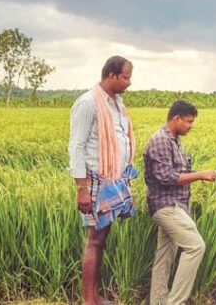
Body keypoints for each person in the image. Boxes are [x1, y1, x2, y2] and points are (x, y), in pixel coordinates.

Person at [68, 56, 137, 305]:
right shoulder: (88, 103)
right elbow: (76, 147)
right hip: (95, 184)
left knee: (102, 239)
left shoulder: (116, 104)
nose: (129, 83)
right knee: (95, 240)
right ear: (111, 75)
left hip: (113, 182)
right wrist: (81, 189)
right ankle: (89, 300)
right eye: (126, 77)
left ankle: (95, 296)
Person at [144, 100, 216, 305]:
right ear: (176, 118)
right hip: (167, 206)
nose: (191, 126)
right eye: (189, 121)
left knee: (165, 256)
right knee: (196, 247)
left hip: (175, 205)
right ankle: (176, 302)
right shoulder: (161, 140)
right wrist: (200, 175)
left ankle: (158, 302)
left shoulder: (174, 140)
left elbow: (178, 172)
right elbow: (166, 177)